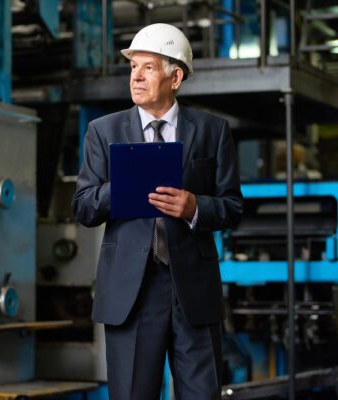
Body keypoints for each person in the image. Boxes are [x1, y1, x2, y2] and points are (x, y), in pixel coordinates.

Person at [72, 23, 243, 400]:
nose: (136, 76)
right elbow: (83, 206)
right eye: (133, 67)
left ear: (175, 76)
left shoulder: (212, 131)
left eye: (148, 67)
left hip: (193, 292)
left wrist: (196, 206)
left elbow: (232, 206)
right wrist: (122, 189)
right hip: (131, 294)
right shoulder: (103, 131)